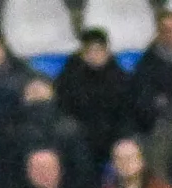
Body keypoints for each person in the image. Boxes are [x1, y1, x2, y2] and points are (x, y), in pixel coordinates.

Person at [55, 28, 136, 164]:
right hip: (83, 138)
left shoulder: (121, 79)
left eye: (98, 50)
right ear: (82, 53)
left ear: (107, 51)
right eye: (89, 51)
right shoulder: (69, 79)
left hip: (113, 136)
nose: (94, 55)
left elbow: (128, 113)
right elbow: (64, 109)